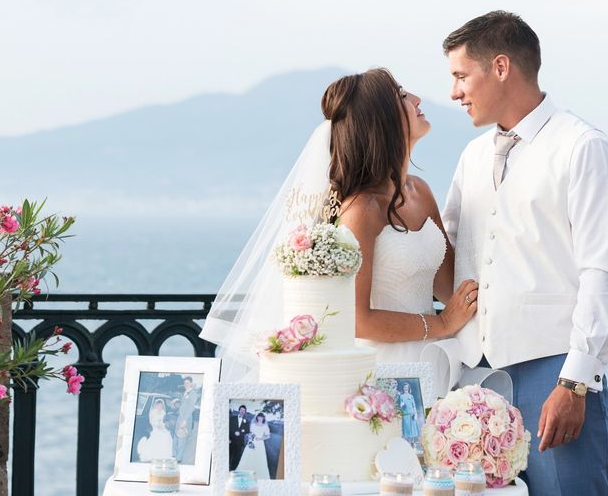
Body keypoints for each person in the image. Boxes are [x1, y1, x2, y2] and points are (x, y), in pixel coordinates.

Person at [442, 10, 608, 496]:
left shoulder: (583, 148)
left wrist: (576, 383)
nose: (454, 93)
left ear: (500, 67)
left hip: (554, 374)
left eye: (462, 76)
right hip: (472, 377)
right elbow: (450, 252)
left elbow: (601, 273)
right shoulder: (473, 156)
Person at [200, 68, 479, 384]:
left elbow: (448, 286)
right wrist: (441, 325)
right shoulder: (361, 209)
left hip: (433, 360)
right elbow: (357, 319)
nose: (416, 99)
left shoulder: (421, 191)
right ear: (381, 120)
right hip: (381, 369)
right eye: (401, 95)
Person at [136, 397, 174, 462]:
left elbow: (165, 421)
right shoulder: (152, 412)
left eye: (161, 406)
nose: (160, 407)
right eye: (158, 405)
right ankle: (154, 455)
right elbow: (151, 421)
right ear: (156, 405)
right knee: (155, 438)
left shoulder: (163, 412)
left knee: (167, 437)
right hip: (155, 428)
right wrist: (156, 424)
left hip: (162, 428)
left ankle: (163, 455)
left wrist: (163, 425)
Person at [236, 413, 272, 480]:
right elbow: (251, 434)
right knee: (248, 456)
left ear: (263, 418)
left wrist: (260, 439)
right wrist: (250, 442)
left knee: (259, 458)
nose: (260, 418)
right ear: (257, 417)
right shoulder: (253, 425)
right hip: (252, 442)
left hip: (260, 444)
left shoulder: (265, 426)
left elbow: (268, 436)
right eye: (259, 417)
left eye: (261, 417)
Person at [173, 377, 200, 464]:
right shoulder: (185, 393)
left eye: (188, 383)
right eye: (185, 383)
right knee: (176, 437)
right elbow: (183, 406)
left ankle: (178, 458)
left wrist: (185, 420)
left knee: (181, 438)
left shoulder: (193, 394)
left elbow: (191, 408)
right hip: (179, 417)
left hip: (185, 418)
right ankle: (174, 456)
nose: (186, 385)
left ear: (191, 383)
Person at [397, 382, 420, 447]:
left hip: (412, 414)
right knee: (407, 429)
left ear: (408, 388)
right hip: (406, 415)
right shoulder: (401, 396)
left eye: (407, 387)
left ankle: (412, 442)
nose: (405, 388)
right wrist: (401, 405)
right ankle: (408, 443)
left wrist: (416, 414)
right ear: (403, 388)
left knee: (412, 429)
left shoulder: (411, 396)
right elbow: (400, 406)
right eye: (404, 387)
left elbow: (414, 406)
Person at [228, 404, 250, 470]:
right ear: (239, 410)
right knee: (229, 454)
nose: (242, 411)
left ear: (245, 412)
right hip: (231, 440)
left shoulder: (246, 421)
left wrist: (240, 432)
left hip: (239, 442)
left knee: (236, 456)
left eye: (244, 410)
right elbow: (229, 428)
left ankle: (233, 469)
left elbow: (247, 431)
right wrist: (229, 438)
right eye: (241, 410)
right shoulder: (232, 418)